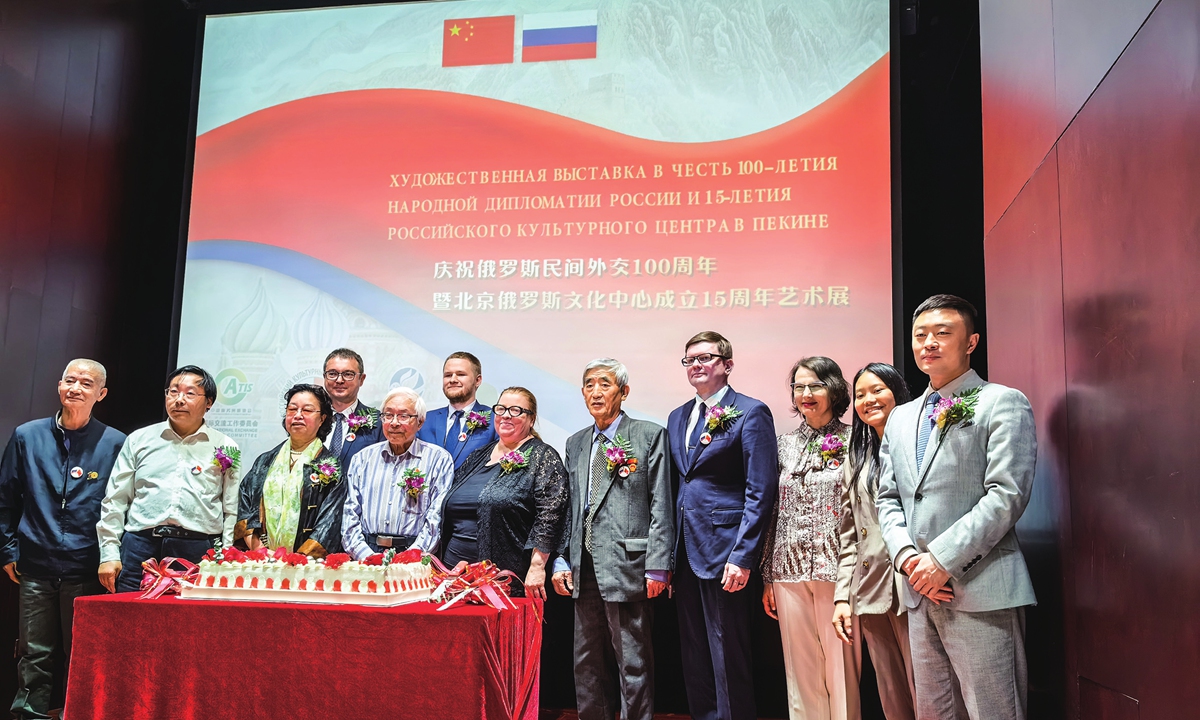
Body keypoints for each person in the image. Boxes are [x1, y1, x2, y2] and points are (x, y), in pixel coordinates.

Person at [876, 295, 1037, 720]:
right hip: (918, 590)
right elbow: (888, 497)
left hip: (980, 589)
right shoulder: (900, 417)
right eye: (920, 335)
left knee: (994, 711)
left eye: (942, 333)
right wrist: (908, 559)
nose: (928, 342)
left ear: (971, 342)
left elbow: (1007, 494)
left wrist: (942, 560)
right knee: (934, 712)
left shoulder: (1001, 401)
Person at [0, 360, 125, 720]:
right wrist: (8, 550)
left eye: (86, 383)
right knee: (33, 652)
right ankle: (29, 715)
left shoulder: (116, 442)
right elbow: (6, 498)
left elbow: (121, 506)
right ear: (59, 385)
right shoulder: (27, 435)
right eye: (70, 380)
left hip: (86, 565)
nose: (76, 388)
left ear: (101, 393)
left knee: (81, 653)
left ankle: (77, 713)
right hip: (35, 563)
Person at [551, 359, 674, 720]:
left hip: (628, 564)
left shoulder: (648, 435)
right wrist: (561, 559)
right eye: (589, 385)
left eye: (604, 384)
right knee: (586, 661)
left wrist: (658, 566)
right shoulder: (576, 442)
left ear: (624, 391)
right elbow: (571, 507)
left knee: (633, 660)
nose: (596, 392)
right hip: (582, 565)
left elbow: (661, 503)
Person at [667, 331, 777, 720]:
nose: (696, 365)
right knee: (694, 652)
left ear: (727, 365)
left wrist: (743, 556)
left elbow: (760, 491)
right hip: (686, 551)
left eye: (706, 358)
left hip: (726, 550)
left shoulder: (751, 411)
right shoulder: (678, 416)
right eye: (690, 360)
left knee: (727, 651)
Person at [761, 356, 860, 720]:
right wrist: (768, 575)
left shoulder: (854, 440)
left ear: (834, 390)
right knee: (799, 673)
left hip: (839, 571)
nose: (805, 394)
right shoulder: (783, 445)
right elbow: (772, 510)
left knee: (841, 668)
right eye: (799, 387)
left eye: (815, 385)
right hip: (788, 570)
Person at [96, 365, 240, 593]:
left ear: (209, 402)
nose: (179, 400)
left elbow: (230, 509)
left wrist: (225, 557)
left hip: (198, 550)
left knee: (190, 616)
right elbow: (115, 499)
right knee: (130, 613)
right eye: (173, 391)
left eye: (190, 393)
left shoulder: (226, 447)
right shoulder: (139, 440)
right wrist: (109, 554)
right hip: (139, 547)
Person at [832, 363, 917, 720]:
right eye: (861, 394)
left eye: (878, 390)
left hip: (915, 584)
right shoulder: (857, 457)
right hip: (871, 590)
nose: (868, 400)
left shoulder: (920, 444)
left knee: (927, 690)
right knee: (891, 693)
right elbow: (850, 534)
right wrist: (842, 596)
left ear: (897, 391)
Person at [439, 386, 568, 598]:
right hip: (455, 575)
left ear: (531, 419)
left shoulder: (542, 456)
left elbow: (551, 515)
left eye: (516, 410)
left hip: (503, 579)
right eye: (501, 409)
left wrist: (537, 566)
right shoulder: (478, 456)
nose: (506, 415)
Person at [342, 387, 454, 558]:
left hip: (414, 553)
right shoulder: (363, 459)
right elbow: (350, 513)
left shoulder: (438, 459)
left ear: (420, 422)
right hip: (367, 551)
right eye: (388, 415)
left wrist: (409, 558)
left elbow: (435, 519)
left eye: (403, 416)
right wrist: (366, 557)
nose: (394, 423)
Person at [237, 384, 345, 556]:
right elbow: (245, 506)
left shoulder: (331, 467)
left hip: (306, 565)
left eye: (307, 410)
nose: (298, 415)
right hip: (262, 560)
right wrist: (260, 550)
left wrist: (297, 560)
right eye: (292, 409)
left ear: (322, 419)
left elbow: (330, 523)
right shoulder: (264, 461)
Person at [416, 351, 497, 468]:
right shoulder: (425, 419)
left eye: (461, 374)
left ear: (478, 380)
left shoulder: (495, 420)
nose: (453, 380)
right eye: (448, 375)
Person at [323, 348, 383, 468]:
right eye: (332, 374)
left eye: (348, 374)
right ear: (324, 377)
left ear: (361, 379)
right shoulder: (312, 418)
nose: (339, 380)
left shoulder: (379, 422)